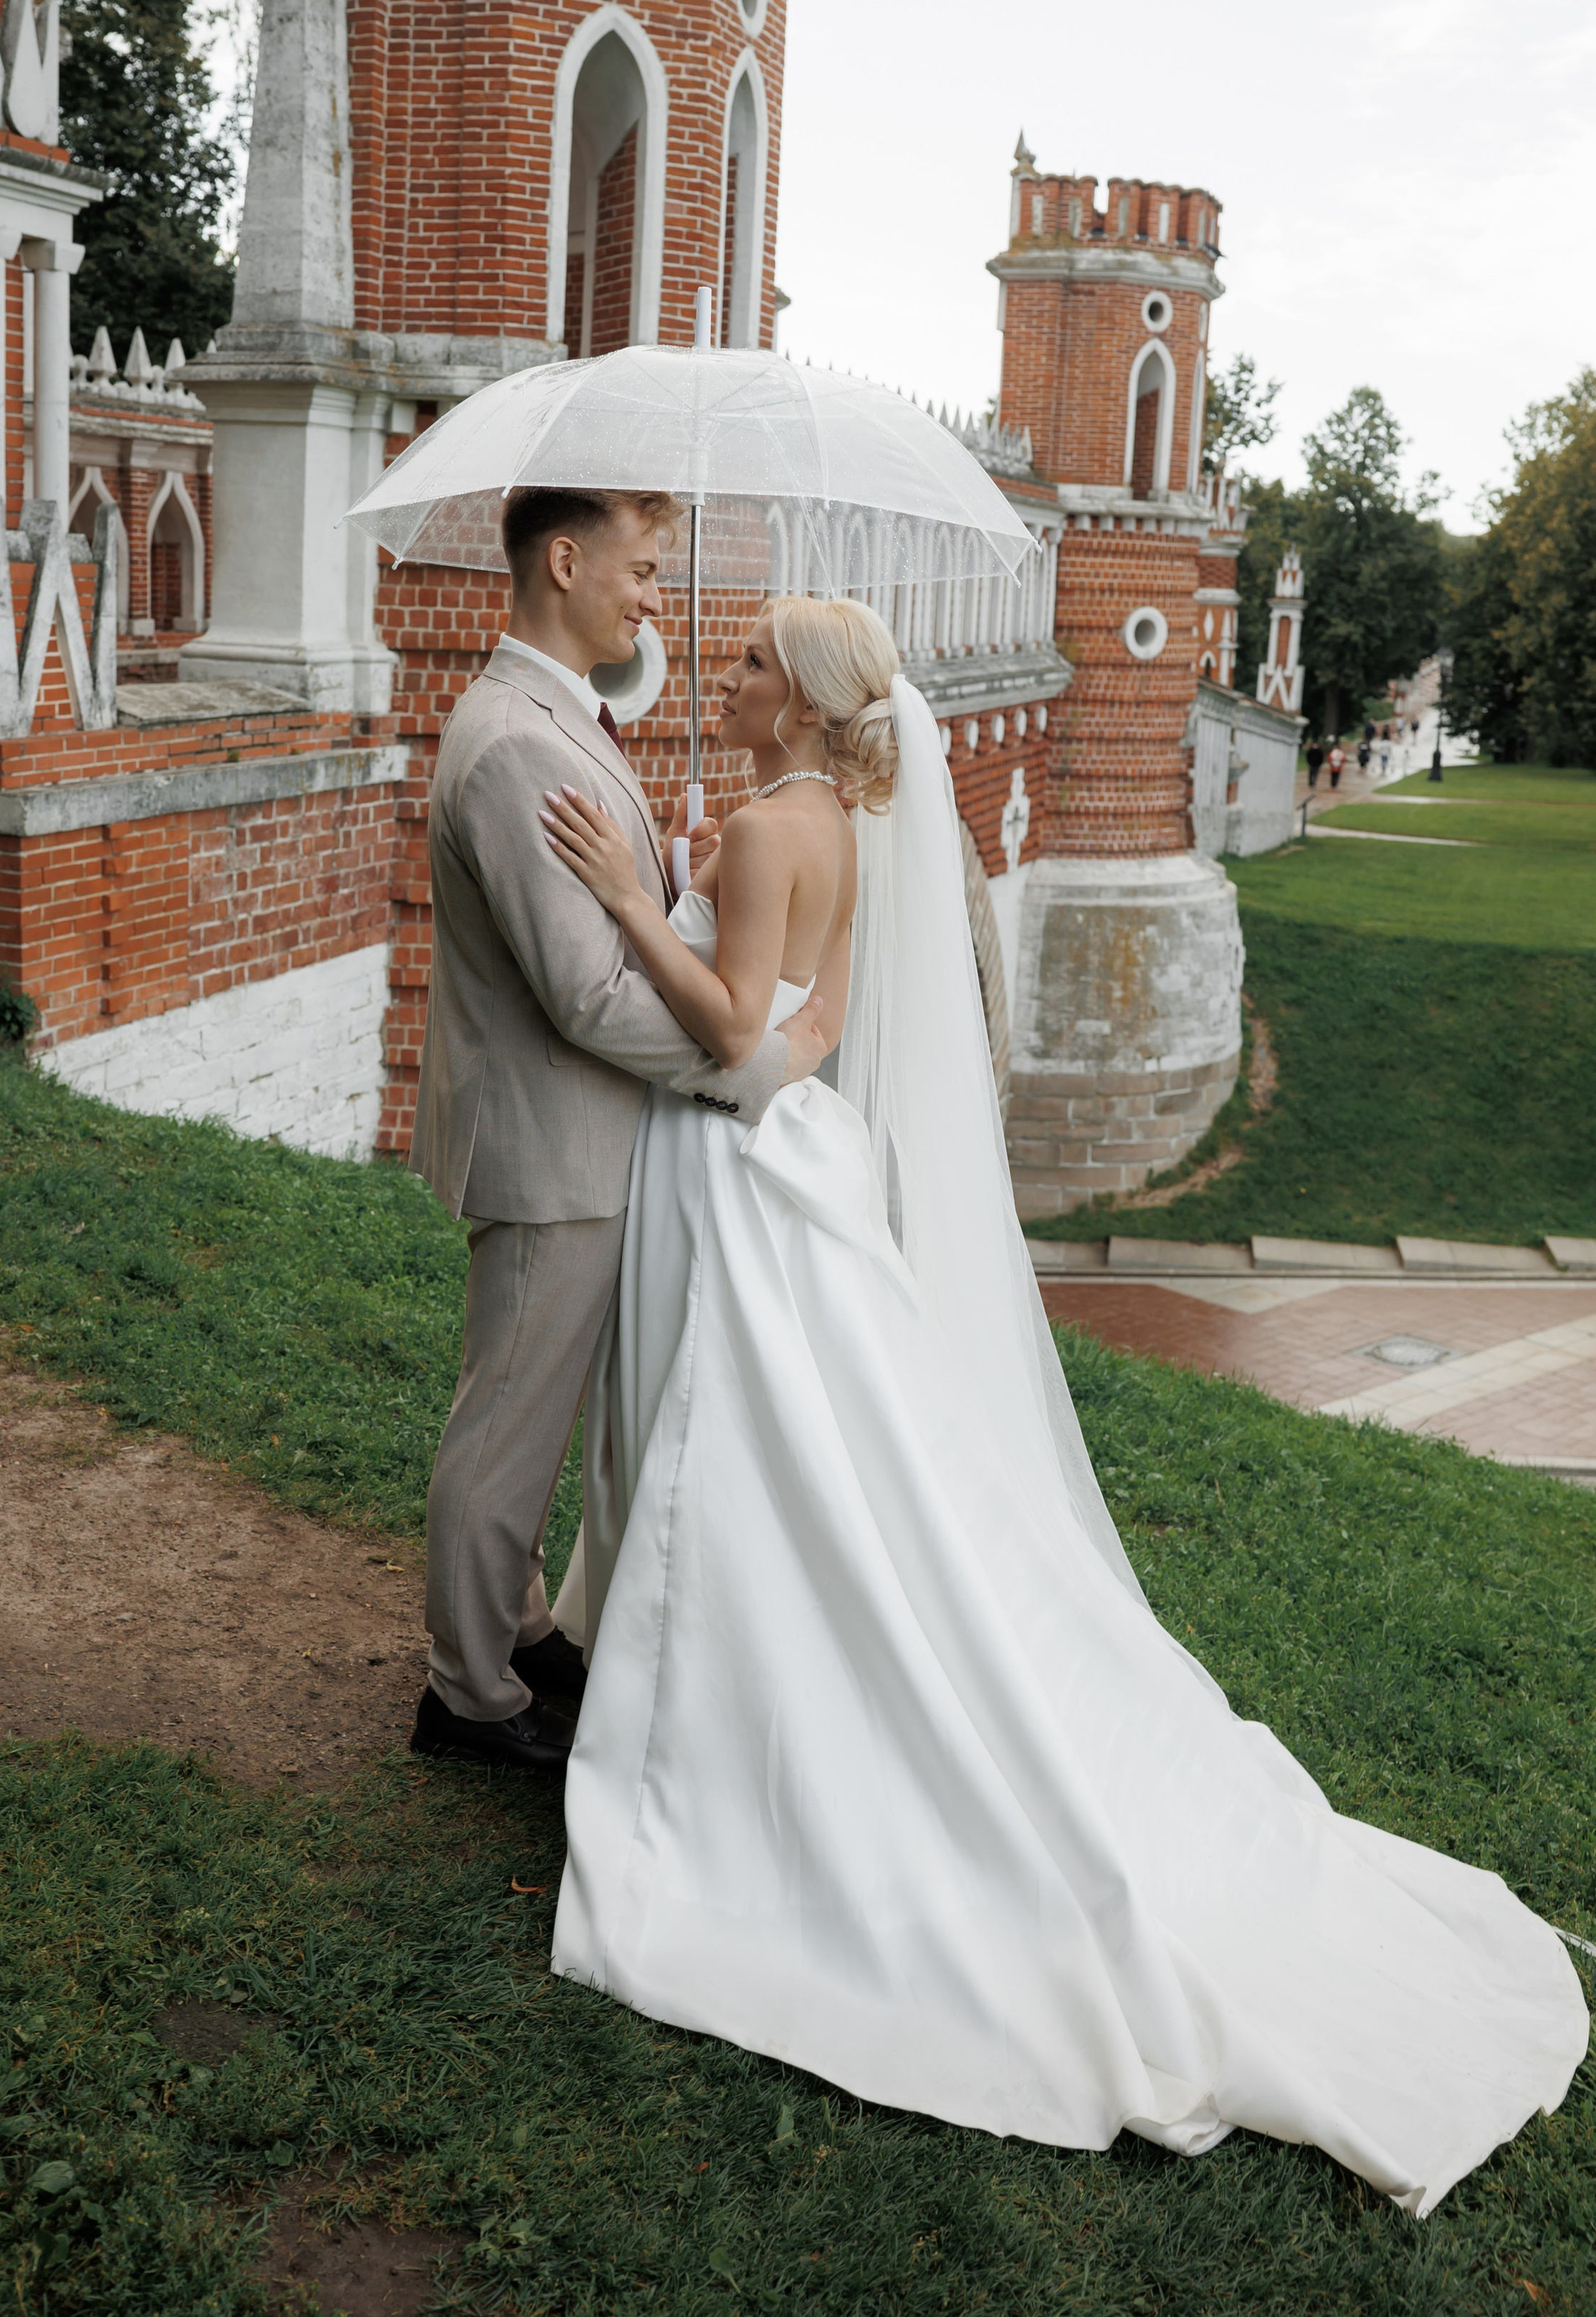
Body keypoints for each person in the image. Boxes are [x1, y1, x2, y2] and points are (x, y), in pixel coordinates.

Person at [539, 593, 1586, 2217]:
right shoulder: (832, 817)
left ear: (804, 704)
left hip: (733, 1168)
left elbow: (743, 1036)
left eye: (749, 661)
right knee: (803, 1455)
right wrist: (693, 890)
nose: (723, 675)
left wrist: (633, 902)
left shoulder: (762, 821)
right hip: (794, 1160)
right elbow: (818, 1029)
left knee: (736, 1452)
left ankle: (719, 1719)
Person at [405, 489, 829, 1777]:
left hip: (581, 1137)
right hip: (553, 1140)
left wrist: (669, 884)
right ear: (565, 559)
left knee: (530, 1408)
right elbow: (585, 994)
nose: (654, 596)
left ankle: (517, 1625)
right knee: (507, 1422)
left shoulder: (554, 718)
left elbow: (609, 930)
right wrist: (738, 1064)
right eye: (642, 569)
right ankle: (468, 1695)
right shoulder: (520, 743)